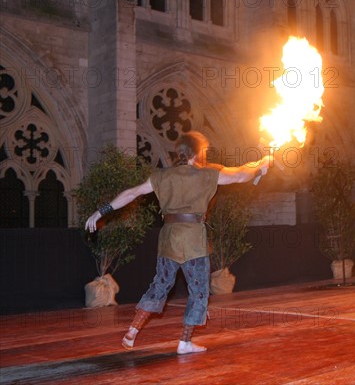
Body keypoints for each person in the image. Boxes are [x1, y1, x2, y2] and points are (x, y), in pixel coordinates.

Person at [85, 131, 272, 354]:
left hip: (169, 239)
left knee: (160, 285)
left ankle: (133, 330)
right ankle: (185, 342)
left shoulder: (163, 176)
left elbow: (132, 193)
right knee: (199, 291)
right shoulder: (207, 174)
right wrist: (260, 168)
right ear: (198, 152)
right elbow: (240, 175)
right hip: (193, 240)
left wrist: (101, 212)